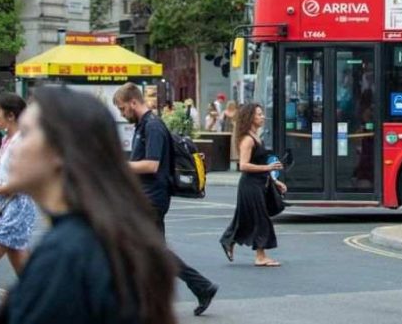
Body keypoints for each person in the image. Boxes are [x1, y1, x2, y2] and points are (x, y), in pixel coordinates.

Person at [0, 86, 177, 324]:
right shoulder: (94, 235)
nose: (13, 147)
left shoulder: (68, 253)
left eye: (25, 133)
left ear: (59, 149)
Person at [113, 83, 219, 316]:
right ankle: (200, 287)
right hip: (147, 198)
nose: (122, 114)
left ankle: (145, 300)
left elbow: (152, 164)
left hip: (152, 200)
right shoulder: (144, 125)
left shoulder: (153, 126)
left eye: (122, 109)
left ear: (133, 102)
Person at [0, 92, 39, 323]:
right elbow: (6, 177)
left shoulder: (20, 143)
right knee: (26, 273)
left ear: (11, 116)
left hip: (17, 209)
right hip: (10, 208)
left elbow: (22, 180)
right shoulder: (8, 141)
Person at [220, 103, 286, 267]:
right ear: (250, 118)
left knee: (245, 218)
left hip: (259, 183)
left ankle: (228, 240)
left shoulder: (257, 137)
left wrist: (275, 181)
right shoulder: (248, 140)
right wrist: (268, 168)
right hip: (250, 185)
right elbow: (243, 165)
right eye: (258, 114)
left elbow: (259, 162)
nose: (262, 117)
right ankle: (260, 256)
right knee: (261, 219)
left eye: (262, 114)